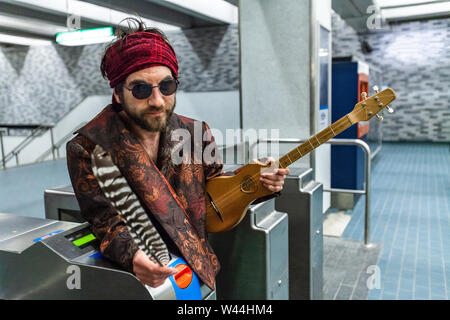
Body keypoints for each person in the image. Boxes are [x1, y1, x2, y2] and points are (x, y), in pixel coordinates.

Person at [66, 18, 289, 291]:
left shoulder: (196, 132)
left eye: (167, 86)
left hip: (196, 268)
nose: (157, 101)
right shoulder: (88, 147)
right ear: (117, 92)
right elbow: (106, 220)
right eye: (141, 89)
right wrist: (133, 255)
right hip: (138, 277)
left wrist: (259, 184)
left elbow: (214, 186)